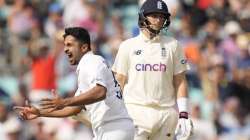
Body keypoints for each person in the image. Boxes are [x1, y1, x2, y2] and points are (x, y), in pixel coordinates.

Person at [14, 27, 135, 140]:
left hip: (114, 128)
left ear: (83, 47)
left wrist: (64, 101)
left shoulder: (92, 61)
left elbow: (100, 92)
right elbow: (75, 109)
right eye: (65, 45)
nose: (65, 49)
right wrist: (40, 112)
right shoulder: (86, 67)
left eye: (70, 45)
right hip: (110, 129)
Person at [112, 0, 193, 140]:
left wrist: (184, 114)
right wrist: (114, 112)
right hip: (135, 112)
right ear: (143, 17)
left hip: (166, 114)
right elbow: (119, 81)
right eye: (154, 16)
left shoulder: (173, 45)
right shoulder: (128, 46)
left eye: (162, 16)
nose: (159, 20)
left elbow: (180, 81)